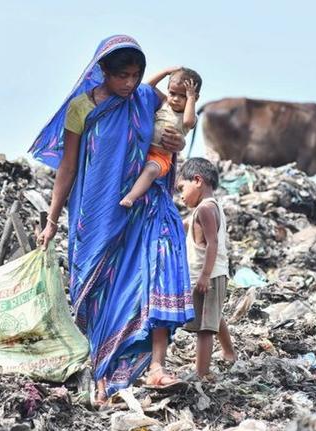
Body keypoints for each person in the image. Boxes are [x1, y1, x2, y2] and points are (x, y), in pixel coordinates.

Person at [30, 35, 194, 404]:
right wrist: (53, 220)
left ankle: (146, 370)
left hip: (138, 212)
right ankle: (101, 375)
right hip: (94, 215)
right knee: (97, 294)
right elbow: (68, 167)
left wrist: (176, 143)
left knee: (138, 288)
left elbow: (171, 136)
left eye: (136, 75)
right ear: (101, 70)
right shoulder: (81, 109)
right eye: (122, 75)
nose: (130, 83)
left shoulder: (147, 100)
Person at [176, 158, 237, 379]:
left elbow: (212, 243)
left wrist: (204, 276)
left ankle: (202, 373)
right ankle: (229, 352)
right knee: (212, 317)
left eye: (182, 189)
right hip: (212, 275)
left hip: (208, 276)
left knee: (204, 328)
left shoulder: (204, 210)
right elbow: (187, 224)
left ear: (198, 180)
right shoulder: (208, 208)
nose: (181, 196)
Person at [119, 67, 201, 207]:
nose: (175, 99)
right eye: (172, 93)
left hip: (160, 157)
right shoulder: (164, 102)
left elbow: (187, 122)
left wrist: (191, 97)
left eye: (183, 96)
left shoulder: (191, 116)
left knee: (150, 171)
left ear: (194, 98)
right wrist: (165, 72)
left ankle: (131, 197)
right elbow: (147, 87)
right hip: (142, 151)